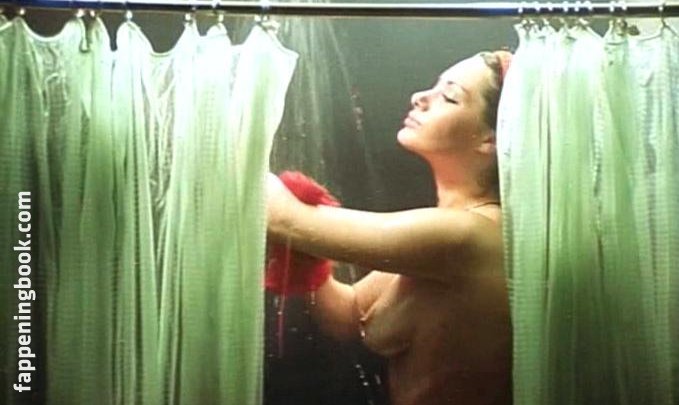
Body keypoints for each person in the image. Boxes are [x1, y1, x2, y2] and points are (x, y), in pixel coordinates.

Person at [266, 50, 513, 405]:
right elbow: (350, 313)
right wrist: (306, 260)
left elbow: (281, 217)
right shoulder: (454, 228)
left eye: (449, 96)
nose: (420, 97)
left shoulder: (468, 235)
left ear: (490, 139)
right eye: (434, 86)